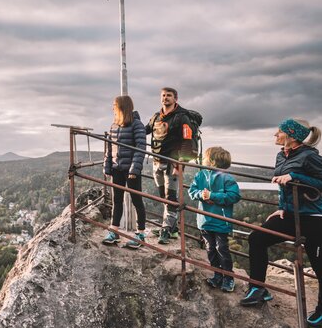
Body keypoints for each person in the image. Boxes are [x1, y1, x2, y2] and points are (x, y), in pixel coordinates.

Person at [240, 119, 322, 328]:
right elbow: (282, 185)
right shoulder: (280, 154)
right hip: (291, 215)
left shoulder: (310, 156)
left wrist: (295, 176)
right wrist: (282, 206)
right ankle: (258, 288)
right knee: (256, 238)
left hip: (318, 221)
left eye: (280, 132)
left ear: (292, 137)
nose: (275, 134)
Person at [145, 87, 195, 245]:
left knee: (171, 198)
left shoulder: (182, 118)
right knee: (163, 197)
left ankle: (166, 229)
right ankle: (172, 229)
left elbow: (187, 141)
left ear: (175, 98)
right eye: (163, 95)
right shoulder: (156, 117)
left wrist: (180, 165)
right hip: (156, 163)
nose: (165, 98)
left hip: (172, 164)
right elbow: (144, 130)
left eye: (169, 96)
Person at [189, 146, 241, 292]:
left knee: (222, 249)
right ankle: (217, 275)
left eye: (205, 157)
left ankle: (228, 278)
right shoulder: (200, 176)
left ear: (211, 161)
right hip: (205, 221)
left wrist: (213, 196)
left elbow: (234, 196)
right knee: (210, 249)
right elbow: (192, 191)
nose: (202, 160)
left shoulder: (227, 178)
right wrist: (202, 194)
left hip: (221, 221)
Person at [102, 95, 147, 248]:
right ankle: (114, 231)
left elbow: (140, 148)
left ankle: (140, 234)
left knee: (137, 201)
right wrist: (107, 167)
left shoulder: (137, 125)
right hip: (117, 169)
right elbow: (110, 149)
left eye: (114, 105)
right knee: (117, 201)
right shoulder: (114, 126)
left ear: (122, 107)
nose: (112, 108)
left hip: (131, 170)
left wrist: (134, 169)